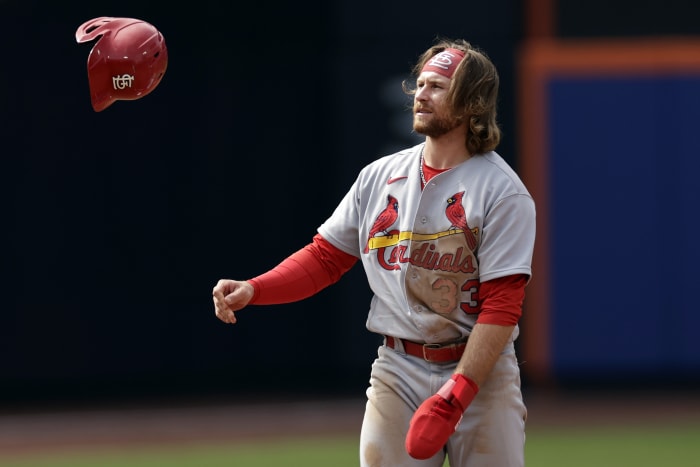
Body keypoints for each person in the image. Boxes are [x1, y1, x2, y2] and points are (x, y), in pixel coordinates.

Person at [212, 37, 536, 466]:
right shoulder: (379, 177)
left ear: (472, 101)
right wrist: (256, 288)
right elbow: (326, 258)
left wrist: (458, 393)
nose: (421, 94)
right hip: (399, 369)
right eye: (420, 84)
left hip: (482, 373)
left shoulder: (502, 191)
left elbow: (503, 305)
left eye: (438, 86)